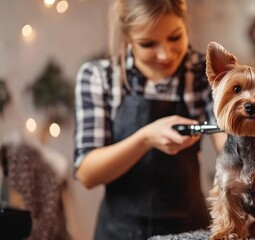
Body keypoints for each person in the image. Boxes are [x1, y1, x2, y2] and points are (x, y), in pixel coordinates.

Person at [73, 0, 226, 239]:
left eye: (175, 37)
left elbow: (227, 143)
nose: (165, 54)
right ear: (128, 38)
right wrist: (145, 138)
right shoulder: (99, 77)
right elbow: (88, 173)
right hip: (119, 230)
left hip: (189, 228)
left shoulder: (203, 73)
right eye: (148, 43)